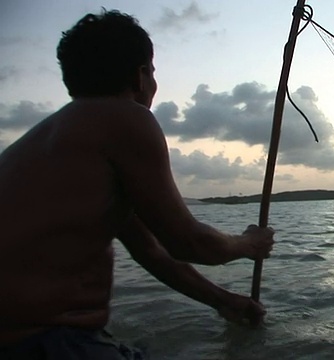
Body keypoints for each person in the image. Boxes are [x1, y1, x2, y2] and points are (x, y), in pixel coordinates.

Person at [0, 9, 274, 359]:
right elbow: (188, 242)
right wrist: (247, 243)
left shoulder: (50, 139)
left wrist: (222, 300)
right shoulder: (126, 118)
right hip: (41, 340)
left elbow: (151, 250)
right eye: (154, 72)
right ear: (142, 75)